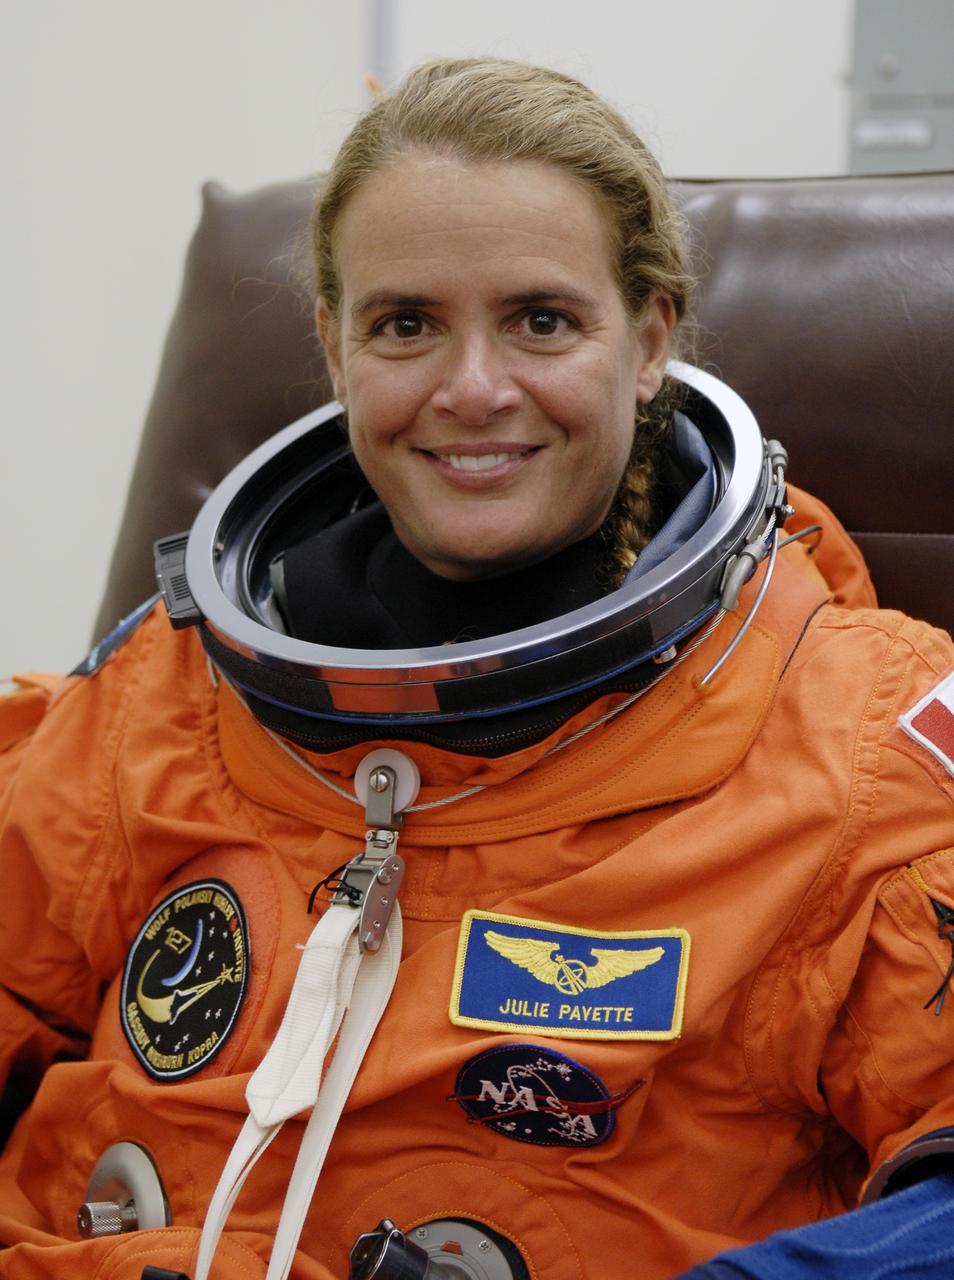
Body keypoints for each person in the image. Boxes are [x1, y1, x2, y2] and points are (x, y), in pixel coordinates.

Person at [1, 56, 954, 1280]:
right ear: (334, 349)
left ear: (651, 334)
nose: (473, 389)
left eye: (541, 320)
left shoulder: (863, 750)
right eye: (405, 325)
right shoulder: (173, 683)